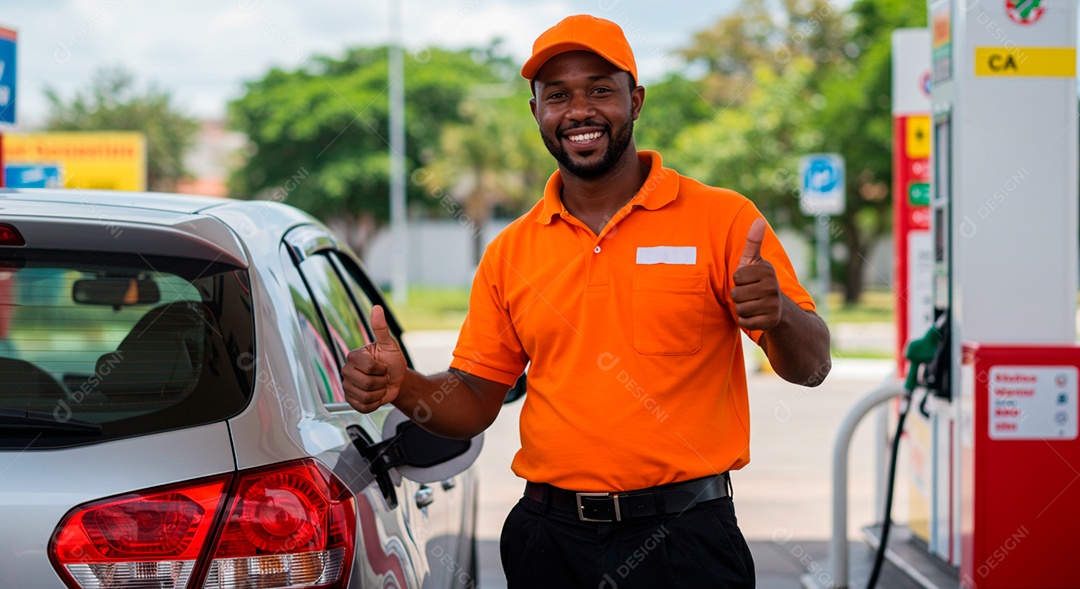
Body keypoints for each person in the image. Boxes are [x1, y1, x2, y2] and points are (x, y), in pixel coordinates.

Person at [343, 14, 831, 588]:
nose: (579, 110)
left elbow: (812, 367)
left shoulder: (723, 220)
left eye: (601, 89)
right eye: (558, 96)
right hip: (551, 542)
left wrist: (779, 316)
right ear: (536, 112)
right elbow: (475, 401)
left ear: (636, 100)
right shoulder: (511, 251)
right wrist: (406, 387)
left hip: (686, 540)